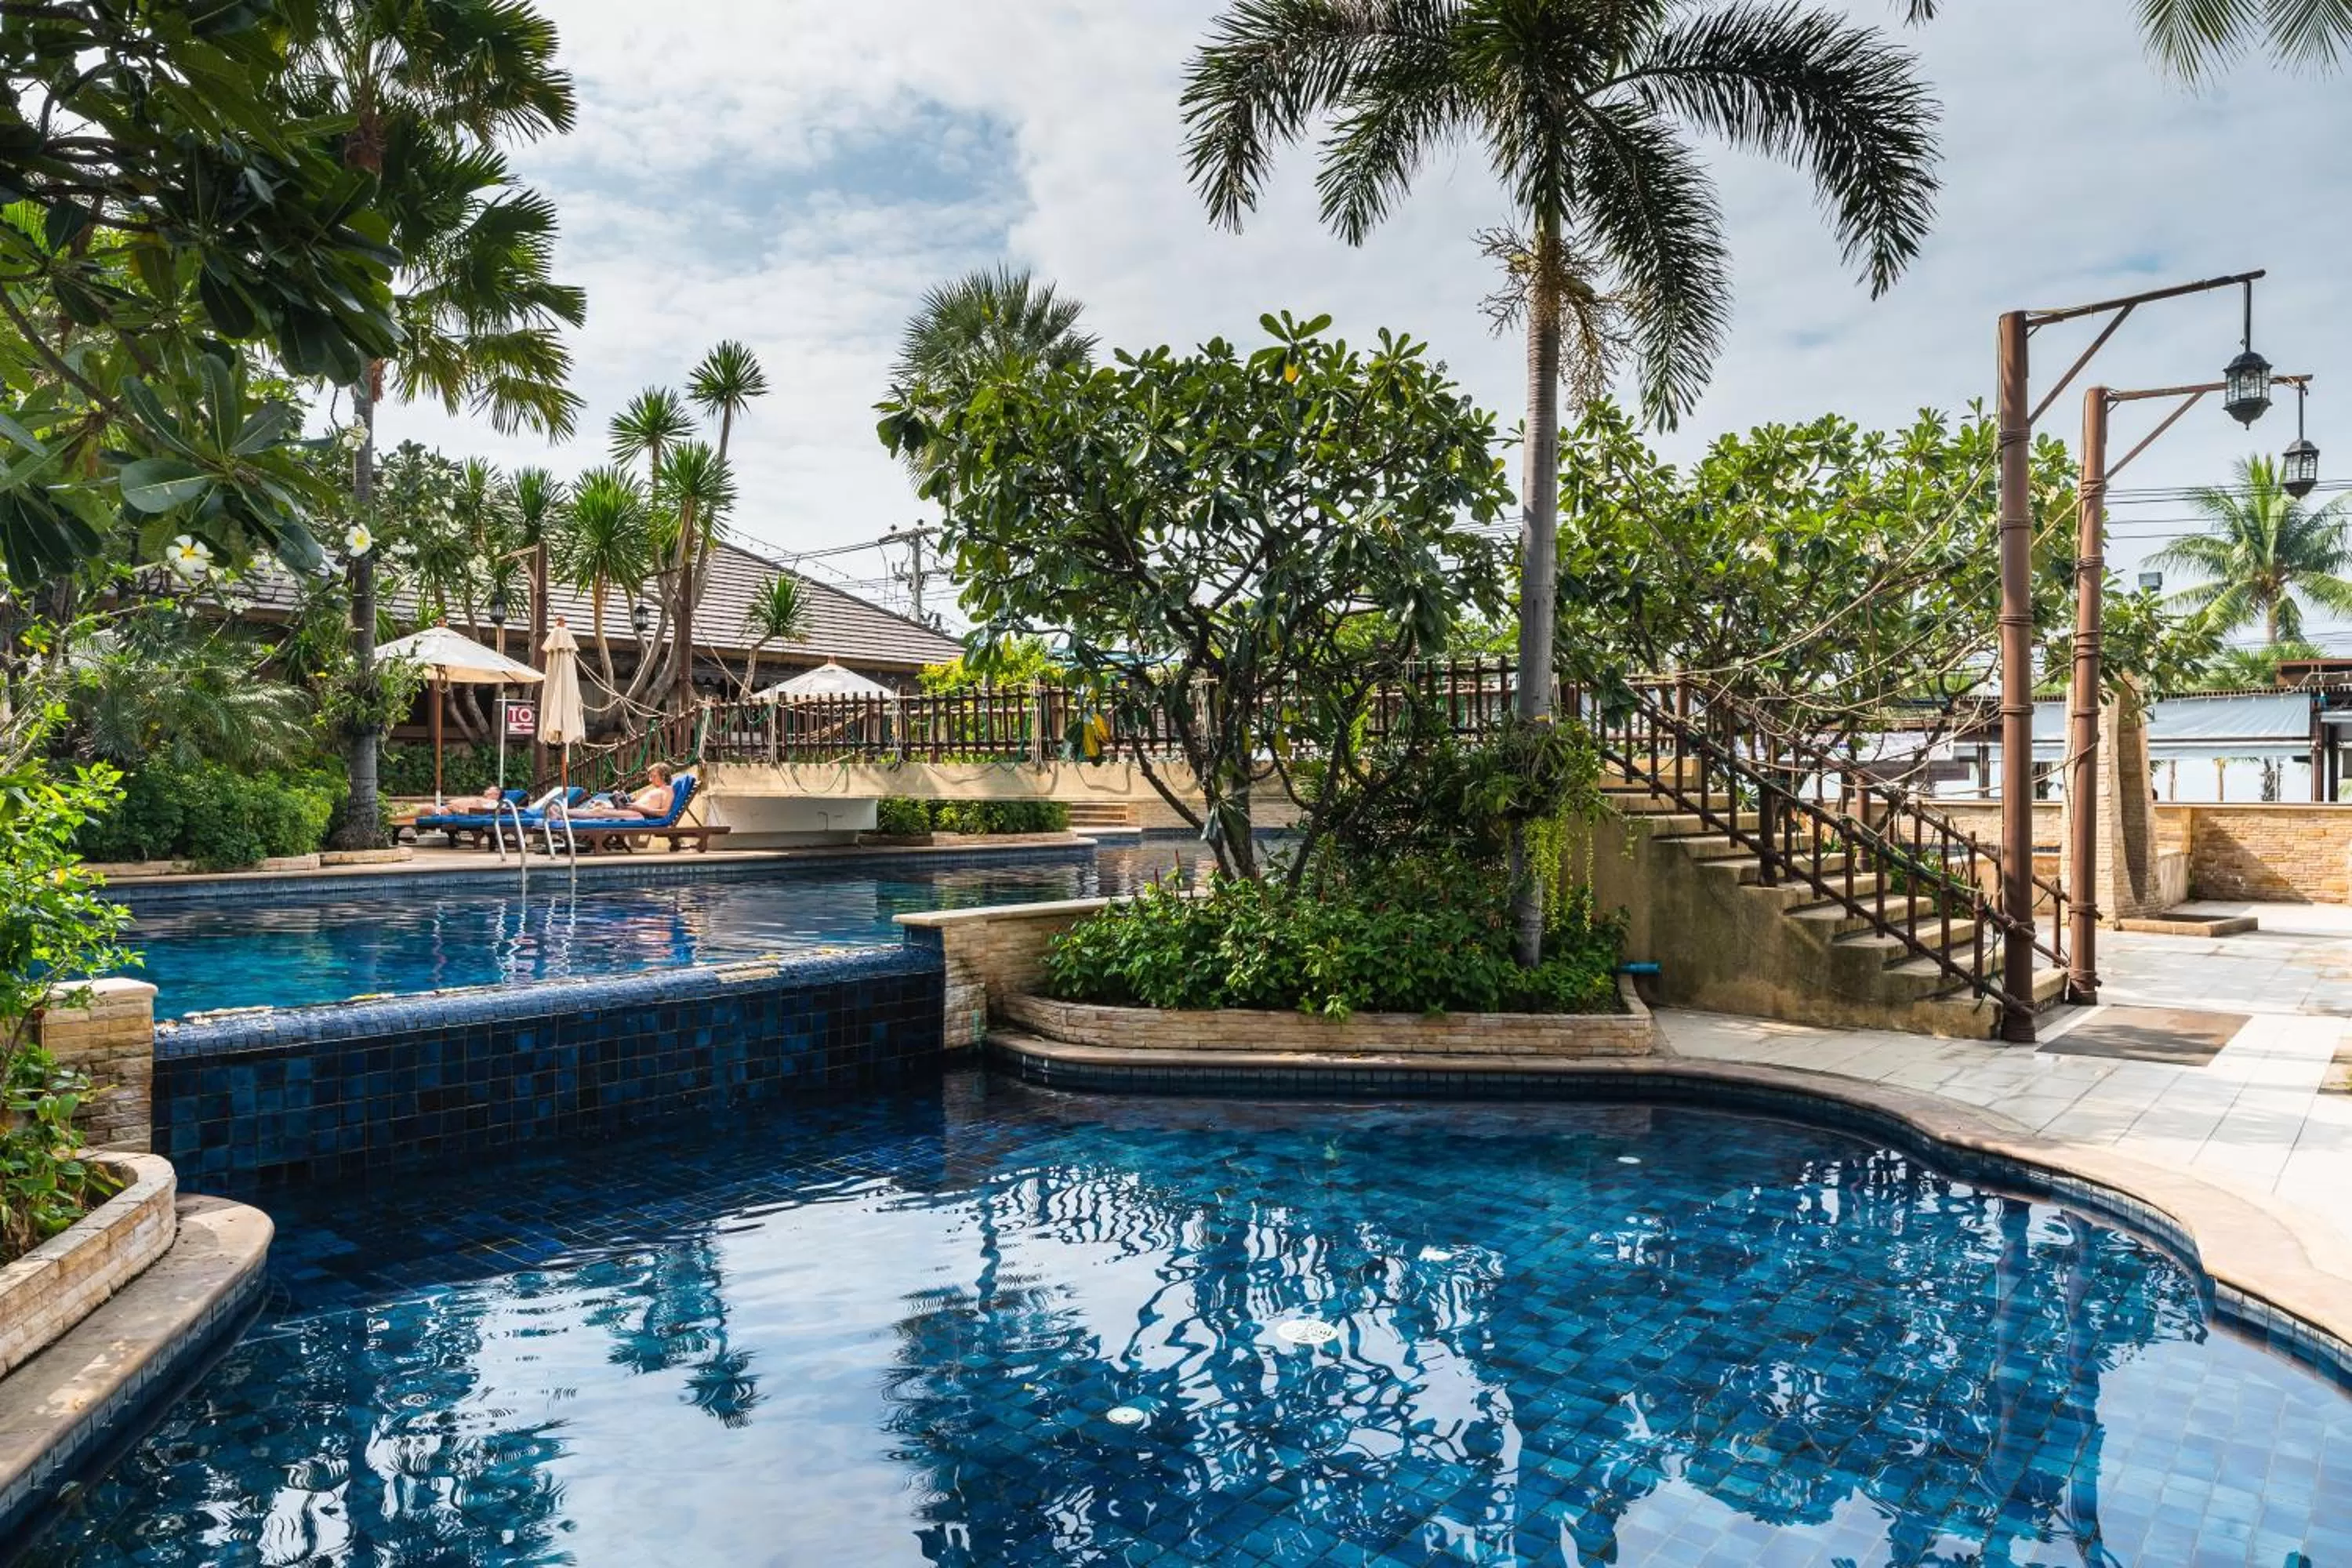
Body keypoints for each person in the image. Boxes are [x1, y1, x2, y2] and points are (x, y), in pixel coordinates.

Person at [571, 763, 677, 821]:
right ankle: (563, 814)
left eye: (653, 776)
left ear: (663, 776)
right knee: (599, 806)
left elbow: (664, 812)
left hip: (639, 815)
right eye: (650, 777)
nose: (650, 780)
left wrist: (639, 808)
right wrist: (618, 803)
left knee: (598, 812)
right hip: (633, 811)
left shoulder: (667, 790)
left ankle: (563, 813)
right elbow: (637, 805)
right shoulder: (655, 790)